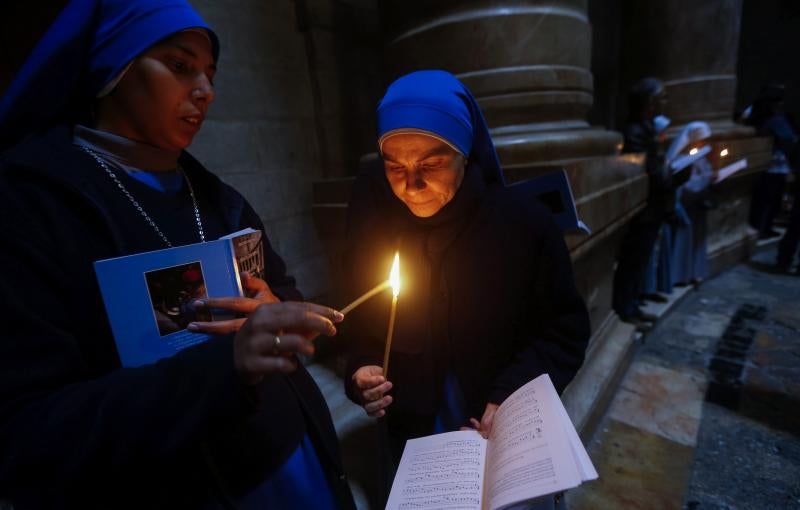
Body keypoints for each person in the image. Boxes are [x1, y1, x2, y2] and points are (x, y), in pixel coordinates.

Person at [0, 1, 356, 508]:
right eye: (180, 65)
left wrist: (278, 308)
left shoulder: (219, 198)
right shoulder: (33, 205)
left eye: (210, 74)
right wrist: (224, 366)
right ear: (117, 67)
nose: (205, 90)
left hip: (290, 459)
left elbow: (280, 285)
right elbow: (30, 434)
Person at [341, 70, 590, 499]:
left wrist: (509, 397)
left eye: (430, 164)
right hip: (413, 433)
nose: (411, 185)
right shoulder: (376, 231)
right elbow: (365, 327)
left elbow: (564, 331)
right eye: (395, 166)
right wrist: (361, 371)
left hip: (500, 428)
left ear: (465, 152)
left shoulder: (523, 225)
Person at [612, 77, 690, 331]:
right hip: (643, 208)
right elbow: (651, 173)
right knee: (632, 261)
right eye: (662, 97)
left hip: (653, 207)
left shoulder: (647, 129)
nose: (665, 102)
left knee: (641, 260)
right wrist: (676, 174)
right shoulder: (636, 132)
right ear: (650, 102)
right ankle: (625, 308)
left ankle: (633, 304)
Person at [746, 82, 798, 239]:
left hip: (763, 161)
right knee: (768, 199)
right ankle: (762, 228)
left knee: (764, 199)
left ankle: (761, 227)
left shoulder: (756, 113)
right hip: (773, 163)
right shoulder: (774, 118)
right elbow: (788, 138)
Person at [670, 121, 714, 285]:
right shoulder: (681, 157)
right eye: (701, 140)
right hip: (685, 204)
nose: (703, 144)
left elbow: (703, 174)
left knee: (696, 238)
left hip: (697, 204)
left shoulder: (700, 156)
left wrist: (711, 176)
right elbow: (688, 185)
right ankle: (679, 275)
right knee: (683, 239)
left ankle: (693, 272)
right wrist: (707, 178)